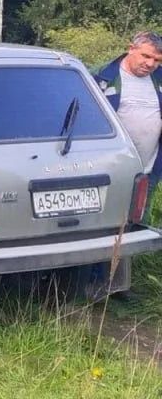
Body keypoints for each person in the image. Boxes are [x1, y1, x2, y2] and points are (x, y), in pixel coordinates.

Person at [91, 30, 162, 302]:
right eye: (145, 56)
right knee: (104, 224)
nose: (150, 63)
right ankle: (94, 281)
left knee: (134, 224)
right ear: (130, 48)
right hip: (111, 171)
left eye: (156, 59)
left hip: (148, 168)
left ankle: (119, 285)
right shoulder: (103, 78)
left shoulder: (159, 80)